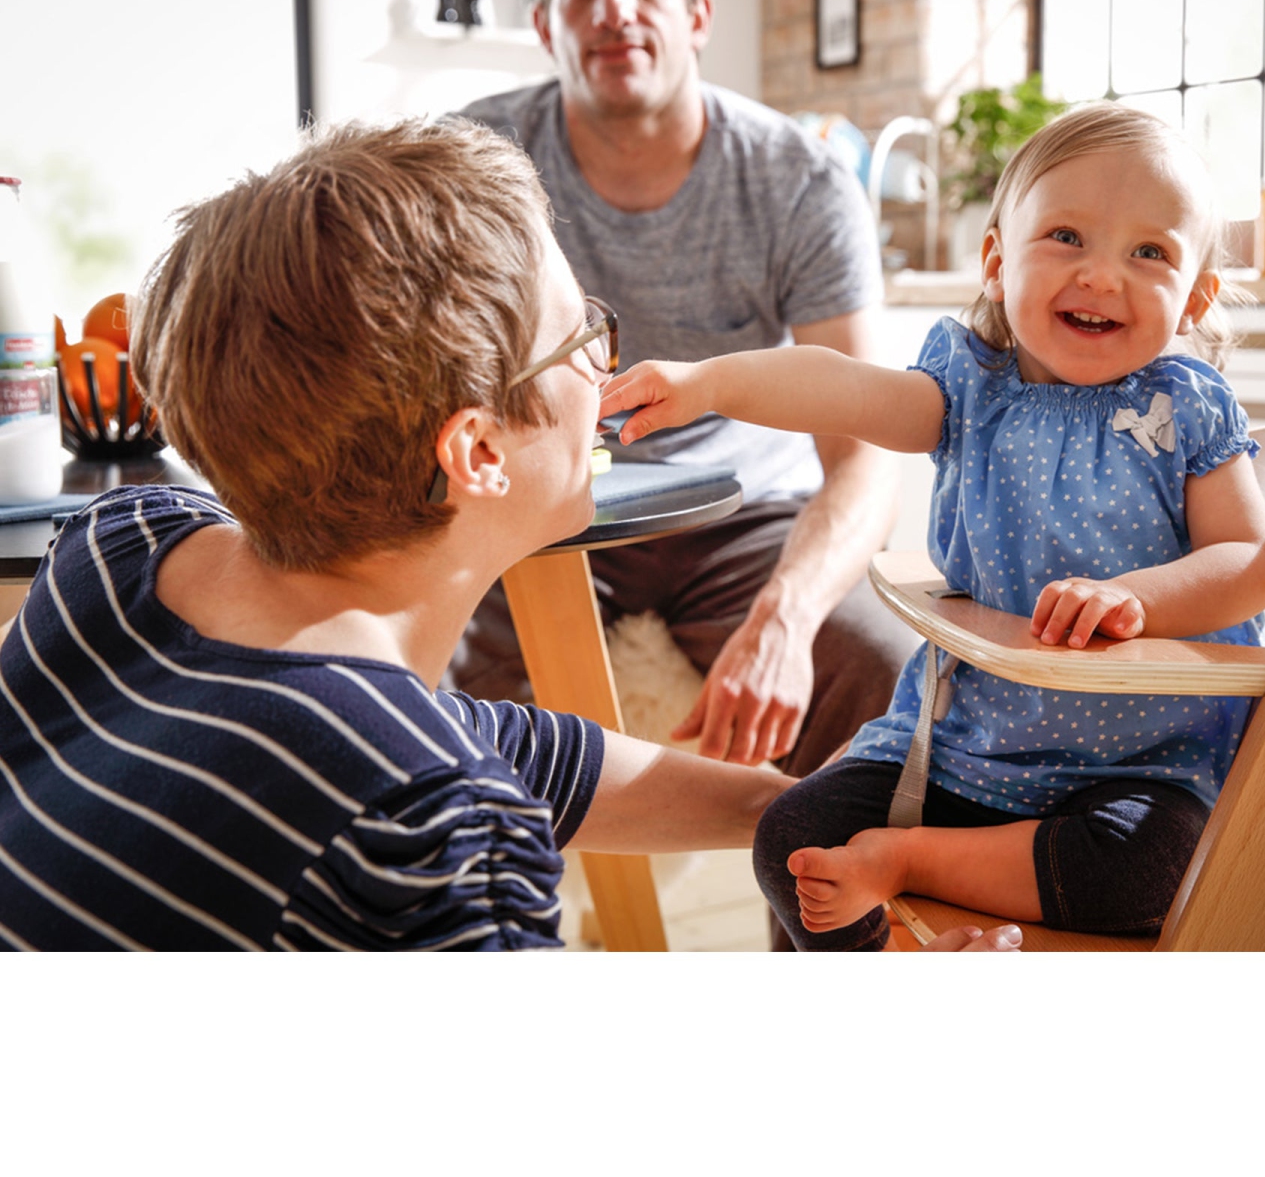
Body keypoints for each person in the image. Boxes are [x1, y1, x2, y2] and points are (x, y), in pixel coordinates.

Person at [0, 117, 1016, 953]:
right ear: (478, 450)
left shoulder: (119, 547)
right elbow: (432, 770)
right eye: (582, 341)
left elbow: (487, 740)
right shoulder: (437, 834)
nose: (604, 373)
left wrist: (781, 810)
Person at [600, 102, 1265, 950]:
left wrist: (1132, 598)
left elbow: (1249, 561)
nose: (1103, 276)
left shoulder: (1186, 406)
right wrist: (712, 383)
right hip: (964, 750)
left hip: (1138, 771)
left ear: (1195, 298)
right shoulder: (966, 389)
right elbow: (838, 384)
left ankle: (914, 862)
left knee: (1154, 873)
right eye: (1066, 237)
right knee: (791, 840)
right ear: (997, 261)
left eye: (1150, 252)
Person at [450, 0, 910, 790]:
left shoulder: (801, 183)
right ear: (545, 24)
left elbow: (866, 458)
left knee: (880, 674)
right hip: (545, 510)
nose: (613, 7)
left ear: (696, 14)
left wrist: (787, 615)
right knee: (446, 716)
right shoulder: (475, 160)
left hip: (744, 518)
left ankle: (827, 918)